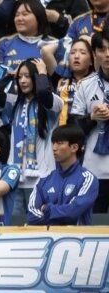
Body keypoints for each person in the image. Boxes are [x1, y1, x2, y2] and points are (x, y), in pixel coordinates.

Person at [0, 58, 61, 224]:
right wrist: (10, 76)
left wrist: (43, 72)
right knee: (14, 227)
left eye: (28, 76)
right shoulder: (14, 102)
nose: (22, 81)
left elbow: (44, 93)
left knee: (38, 224)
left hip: (42, 178)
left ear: (37, 78)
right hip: (15, 178)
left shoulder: (54, 102)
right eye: (20, 77)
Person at [26, 124, 97, 225]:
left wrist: (46, 208)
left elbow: (73, 212)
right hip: (49, 239)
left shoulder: (88, 179)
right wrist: (60, 213)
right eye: (53, 143)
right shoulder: (44, 180)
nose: (54, 148)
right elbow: (31, 216)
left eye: (59, 143)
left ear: (74, 147)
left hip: (76, 239)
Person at [69, 33, 109, 212]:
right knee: (93, 228)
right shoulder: (85, 85)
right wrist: (91, 118)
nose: (108, 54)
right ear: (94, 55)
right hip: (93, 172)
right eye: (102, 49)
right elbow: (72, 131)